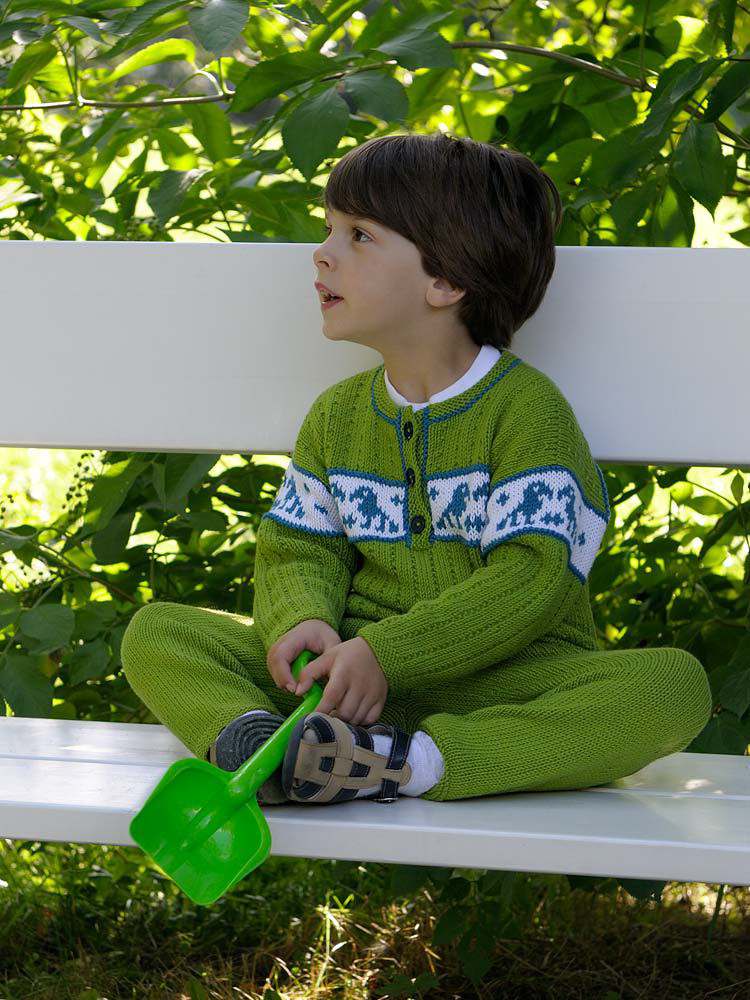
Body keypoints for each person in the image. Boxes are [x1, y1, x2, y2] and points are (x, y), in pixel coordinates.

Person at [121, 132, 712, 807]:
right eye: (328, 229)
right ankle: (264, 748)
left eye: (358, 235)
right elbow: (300, 547)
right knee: (159, 631)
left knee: (672, 687)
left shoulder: (527, 412)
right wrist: (302, 621)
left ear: (446, 281)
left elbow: (531, 579)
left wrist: (387, 655)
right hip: (344, 686)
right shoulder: (337, 418)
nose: (323, 252)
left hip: (507, 684)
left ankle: (406, 763)